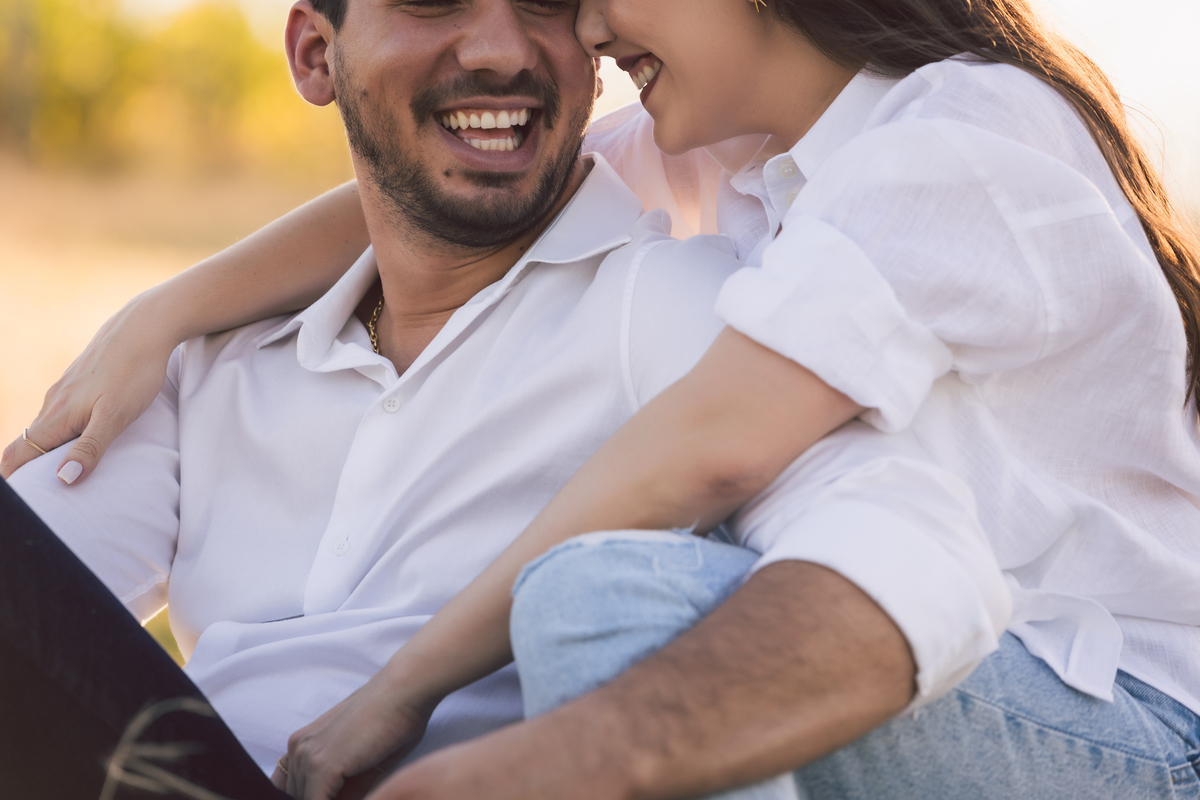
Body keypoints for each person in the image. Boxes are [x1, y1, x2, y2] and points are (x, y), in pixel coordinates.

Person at [5, 0, 1198, 799]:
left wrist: (410, 705)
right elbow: (430, 181)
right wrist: (168, 311)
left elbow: (712, 450)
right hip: (978, 680)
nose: (584, 23)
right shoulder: (739, 155)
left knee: (607, 593)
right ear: (317, 54)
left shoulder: (956, 139)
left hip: (1119, 717)